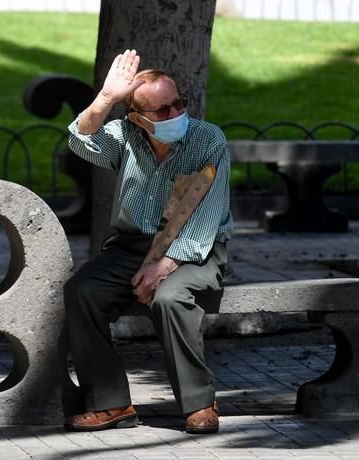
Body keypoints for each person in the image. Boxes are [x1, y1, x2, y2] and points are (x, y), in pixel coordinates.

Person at [63, 49, 234, 434]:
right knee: (81, 291)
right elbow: (79, 139)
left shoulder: (207, 140)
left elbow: (206, 217)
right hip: (131, 247)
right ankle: (110, 403)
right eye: (161, 111)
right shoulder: (124, 135)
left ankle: (199, 405)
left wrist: (164, 264)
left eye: (178, 104)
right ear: (138, 119)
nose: (175, 115)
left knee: (170, 297)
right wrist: (106, 98)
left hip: (195, 248)